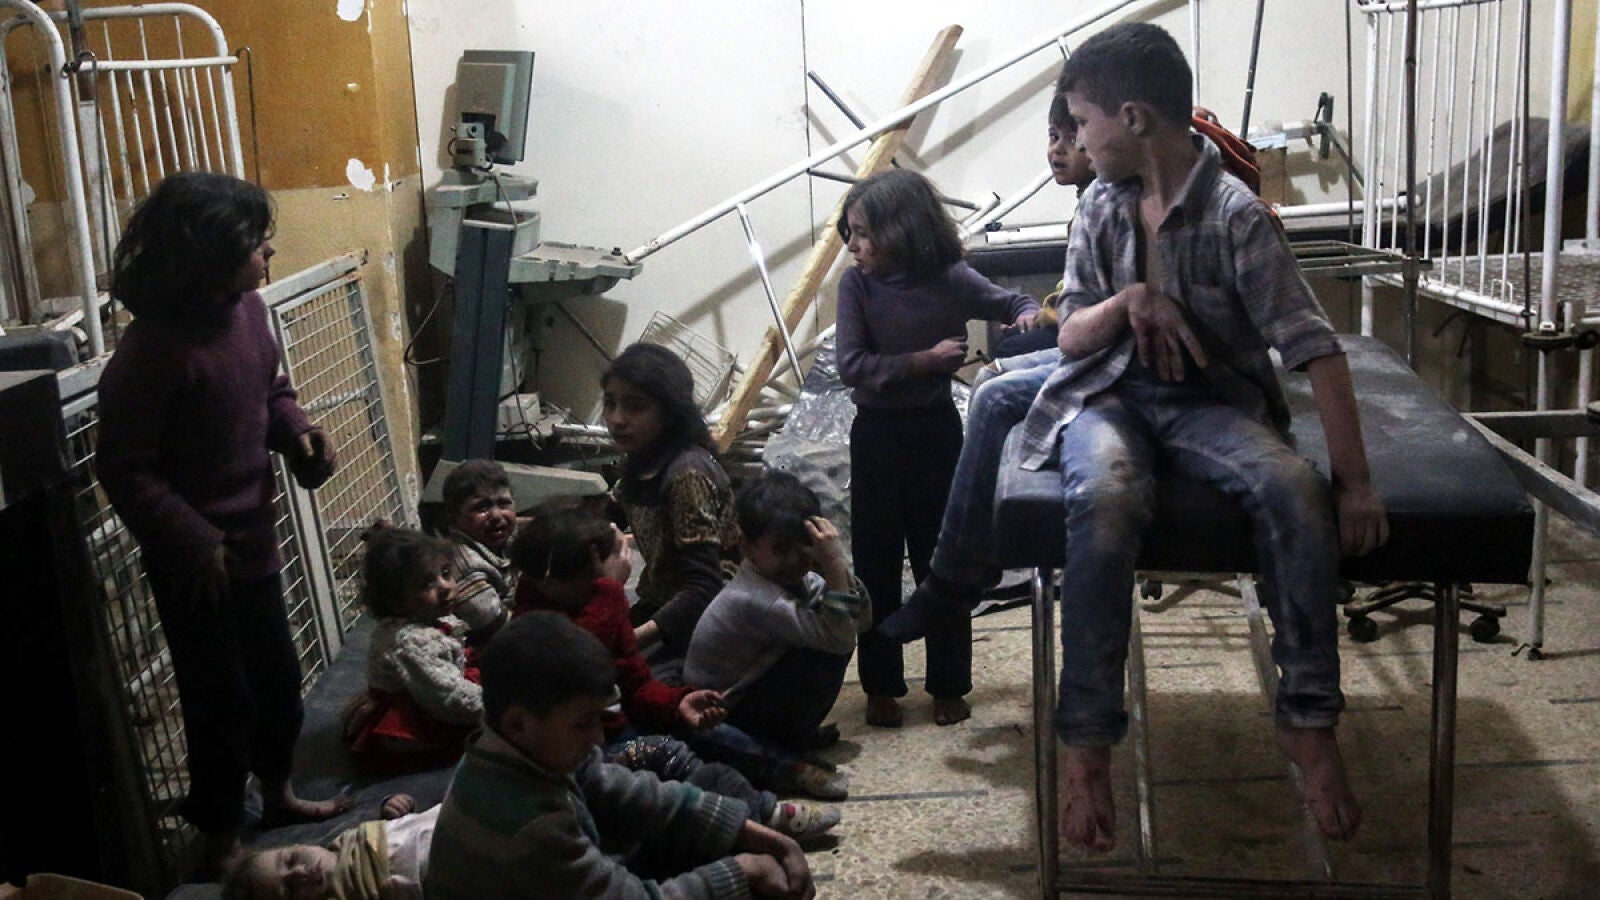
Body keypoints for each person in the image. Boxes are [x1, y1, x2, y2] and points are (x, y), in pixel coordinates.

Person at [1032, 23, 1392, 852]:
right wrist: (1129, 302)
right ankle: (1087, 746)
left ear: (1133, 118)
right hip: (1111, 398)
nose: (1077, 139)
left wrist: (1355, 482)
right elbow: (1071, 336)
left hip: (1209, 407)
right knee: (1105, 496)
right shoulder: (1099, 205)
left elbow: (1315, 349)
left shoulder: (1236, 217)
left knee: (1291, 487)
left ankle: (1309, 721)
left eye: (1083, 122)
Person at [95, 171, 347, 872]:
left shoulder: (249, 311)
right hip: (197, 567)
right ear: (208, 253)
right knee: (219, 703)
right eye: (256, 242)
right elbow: (125, 469)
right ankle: (220, 834)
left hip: (254, 544)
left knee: (277, 684)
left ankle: (279, 793)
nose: (270, 252)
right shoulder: (150, 353)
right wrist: (191, 538)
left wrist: (298, 432)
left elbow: (272, 391)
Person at [835, 168, 1040, 728]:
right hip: (876, 435)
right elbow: (851, 366)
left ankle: (949, 684)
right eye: (850, 233)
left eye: (863, 233)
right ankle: (881, 685)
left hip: (936, 433)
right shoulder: (857, 285)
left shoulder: (950, 278)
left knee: (944, 558)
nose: (853, 246)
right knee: (875, 562)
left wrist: (1027, 317)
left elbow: (1015, 302)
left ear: (901, 230)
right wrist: (924, 362)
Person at [425, 611, 816, 899]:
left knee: (710, 799)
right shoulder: (531, 828)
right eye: (583, 723)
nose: (598, 738)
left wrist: (751, 833)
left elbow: (623, 789)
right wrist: (742, 872)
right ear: (518, 724)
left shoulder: (520, 745)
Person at [511, 501, 848, 824]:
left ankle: (786, 769)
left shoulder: (590, 602)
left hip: (617, 723)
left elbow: (634, 681)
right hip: (584, 746)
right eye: (594, 575)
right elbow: (579, 662)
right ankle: (763, 812)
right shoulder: (534, 625)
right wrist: (609, 590)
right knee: (670, 757)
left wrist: (675, 704)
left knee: (702, 731)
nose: (601, 583)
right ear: (549, 581)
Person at [685, 470, 869, 748]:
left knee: (831, 619)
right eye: (780, 549)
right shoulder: (756, 598)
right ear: (747, 547)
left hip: (748, 692)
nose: (794, 560)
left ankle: (792, 733)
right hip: (722, 715)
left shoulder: (799, 580)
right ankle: (783, 742)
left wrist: (833, 569)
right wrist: (834, 565)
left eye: (804, 545)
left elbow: (862, 621)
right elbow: (842, 640)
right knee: (827, 647)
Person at [603, 343, 740, 665]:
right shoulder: (641, 460)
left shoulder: (686, 474)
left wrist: (629, 641)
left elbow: (704, 587)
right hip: (661, 602)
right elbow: (601, 520)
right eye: (610, 404)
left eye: (635, 407)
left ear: (670, 411)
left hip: (710, 620)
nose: (616, 419)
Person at [342, 527, 482, 768]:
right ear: (395, 600)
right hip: (417, 715)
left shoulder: (426, 617)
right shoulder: (411, 643)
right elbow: (448, 697)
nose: (445, 586)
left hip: (432, 687)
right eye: (426, 584)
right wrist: (498, 709)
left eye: (445, 573)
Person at [990, 91, 1099, 360]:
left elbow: (1085, 295)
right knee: (1012, 339)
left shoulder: (1098, 206)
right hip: (1071, 316)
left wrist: (1046, 316)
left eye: (1072, 140)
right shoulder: (1085, 200)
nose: (1057, 149)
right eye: (1053, 136)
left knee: (1009, 351)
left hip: (1088, 328)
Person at [222, 794, 431, 900]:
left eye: (290, 861)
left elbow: (396, 826)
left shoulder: (344, 840)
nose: (299, 872)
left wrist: (395, 806)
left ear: (298, 844)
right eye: (290, 890)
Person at [438, 458, 518, 643]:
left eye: (503, 504)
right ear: (454, 516)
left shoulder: (492, 540)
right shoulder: (465, 564)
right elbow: (500, 626)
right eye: (482, 508)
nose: (496, 515)